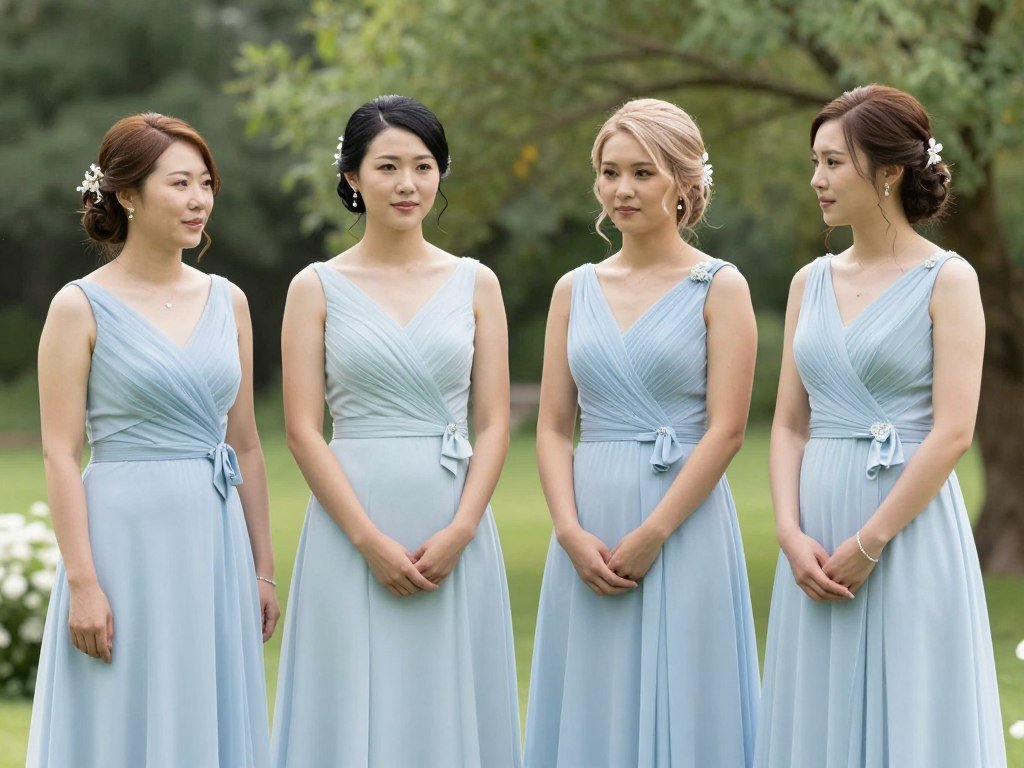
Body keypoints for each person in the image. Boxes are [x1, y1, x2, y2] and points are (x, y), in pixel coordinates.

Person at [755, 84, 1006, 767]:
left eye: (834, 163)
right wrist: (789, 531)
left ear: (890, 171)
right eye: (816, 162)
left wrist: (871, 541)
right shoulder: (809, 281)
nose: (817, 179)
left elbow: (953, 432)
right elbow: (787, 425)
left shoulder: (948, 280)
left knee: (913, 712)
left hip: (905, 528)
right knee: (817, 718)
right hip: (813, 532)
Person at [270, 95, 521, 768]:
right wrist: (367, 539)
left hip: (452, 519)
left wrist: (464, 527)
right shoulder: (314, 286)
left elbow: (494, 422)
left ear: (440, 174)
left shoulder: (476, 282)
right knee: (348, 700)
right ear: (352, 177)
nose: (407, 184)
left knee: (448, 701)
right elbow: (301, 430)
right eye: (387, 166)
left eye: (423, 166)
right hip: (352, 522)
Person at [27, 113, 278, 767]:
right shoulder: (78, 306)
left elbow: (245, 442)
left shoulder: (230, 300)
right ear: (129, 196)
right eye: (180, 183)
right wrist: (84, 582)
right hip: (124, 544)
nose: (199, 200)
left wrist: (262, 569)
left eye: (206, 183)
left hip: (215, 541)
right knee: (124, 716)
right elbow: (59, 450)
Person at [524, 98, 760, 768]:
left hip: (683, 520)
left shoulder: (720, 286)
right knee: (591, 702)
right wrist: (569, 530)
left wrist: (656, 530)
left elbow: (728, 429)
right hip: (588, 521)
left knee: (688, 699)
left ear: (684, 183)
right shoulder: (573, 289)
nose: (621, 189)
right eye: (609, 171)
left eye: (642, 172)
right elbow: (550, 427)